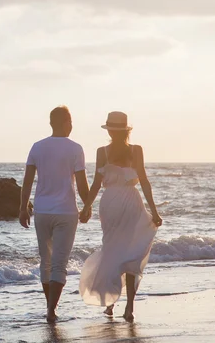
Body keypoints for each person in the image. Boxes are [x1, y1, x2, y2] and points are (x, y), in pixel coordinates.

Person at [78, 111, 162, 322]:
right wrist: (154, 210)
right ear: (127, 130)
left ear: (110, 131)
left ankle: (111, 303)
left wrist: (86, 207)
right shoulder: (136, 150)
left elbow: (97, 184)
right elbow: (143, 181)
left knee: (112, 250)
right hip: (131, 202)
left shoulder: (102, 152)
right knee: (132, 253)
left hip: (110, 203)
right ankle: (130, 308)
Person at [19, 105, 91, 323]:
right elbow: (81, 183)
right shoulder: (75, 148)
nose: (72, 126)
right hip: (66, 212)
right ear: (66, 123)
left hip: (42, 211)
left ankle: (49, 307)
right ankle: (51, 309)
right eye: (71, 122)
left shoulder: (37, 147)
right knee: (59, 263)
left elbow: (28, 180)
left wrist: (23, 208)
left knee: (46, 262)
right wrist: (87, 206)